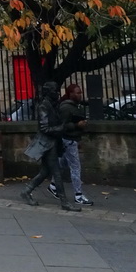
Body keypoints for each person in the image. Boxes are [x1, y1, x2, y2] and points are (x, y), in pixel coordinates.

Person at [21, 81, 84, 211]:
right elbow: (44, 128)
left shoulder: (54, 104)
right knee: (57, 171)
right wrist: (60, 128)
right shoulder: (44, 106)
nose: (56, 93)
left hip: (53, 142)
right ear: (48, 92)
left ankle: (26, 191)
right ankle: (64, 202)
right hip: (47, 143)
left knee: (45, 172)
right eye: (54, 91)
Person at [47, 83, 93, 205]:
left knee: (63, 163)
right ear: (70, 93)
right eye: (77, 92)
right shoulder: (66, 107)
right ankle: (78, 195)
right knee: (75, 168)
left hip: (71, 139)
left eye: (80, 92)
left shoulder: (73, 106)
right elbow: (62, 125)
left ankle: (53, 185)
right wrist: (77, 125)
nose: (80, 95)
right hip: (68, 140)